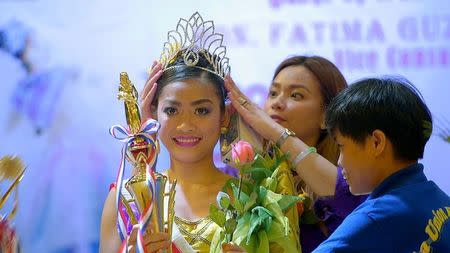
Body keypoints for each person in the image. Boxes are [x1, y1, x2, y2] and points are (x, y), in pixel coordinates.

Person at [100, 12, 300, 253]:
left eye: (202, 111)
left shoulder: (256, 201)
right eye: (172, 110)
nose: (186, 125)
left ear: (224, 116)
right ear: (153, 115)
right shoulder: (129, 200)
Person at [225, 55, 366, 252]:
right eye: (273, 93)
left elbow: (349, 199)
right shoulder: (241, 175)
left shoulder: (352, 183)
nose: (277, 103)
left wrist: (276, 133)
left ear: (327, 117)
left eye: (296, 96)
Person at [312, 76, 450, 252]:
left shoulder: (374, 216)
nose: (339, 162)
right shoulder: (441, 200)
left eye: (341, 146)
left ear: (377, 142)